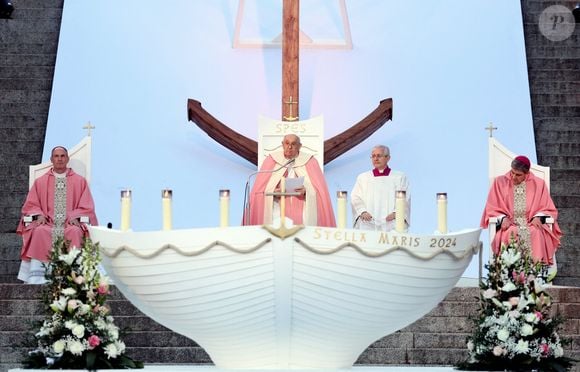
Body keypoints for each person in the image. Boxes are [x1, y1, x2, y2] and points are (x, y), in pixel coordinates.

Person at [17, 146, 98, 283]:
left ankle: (74, 277)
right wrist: (39, 215)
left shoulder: (79, 181)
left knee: (75, 231)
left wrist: (75, 217)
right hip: (47, 223)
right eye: (56, 156)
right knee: (39, 231)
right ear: (51, 159)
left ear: (67, 159)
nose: (59, 159)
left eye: (62, 156)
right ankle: (39, 278)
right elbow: (31, 205)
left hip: (69, 224)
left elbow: (87, 206)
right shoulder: (41, 182)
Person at [481, 155, 561, 265]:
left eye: (518, 175)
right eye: (512, 172)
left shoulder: (539, 184)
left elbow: (547, 207)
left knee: (536, 233)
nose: (513, 177)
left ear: (527, 173)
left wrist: (538, 217)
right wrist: (502, 218)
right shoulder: (499, 182)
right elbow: (492, 206)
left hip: (531, 223)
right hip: (510, 224)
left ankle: (536, 272)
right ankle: (509, 273)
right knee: (511, 233)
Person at [244, 134, 336, 227]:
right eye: (287, 143)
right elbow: (260, 190)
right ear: (282, 144)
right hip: (276, 205)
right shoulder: (271, 160)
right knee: (274, 219)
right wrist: (272, 191)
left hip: (303, 205)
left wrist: (307, 191)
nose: (289, 147)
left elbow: (320, 191)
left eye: (293, 144)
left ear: (299, 146)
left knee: (305, 220)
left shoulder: (310, 161)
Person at [351, 145, 410, 231]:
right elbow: (355, 197)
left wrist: (396, 213)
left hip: (392, 223)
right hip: (368, 223)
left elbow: (406, 197)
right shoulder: (363, 178)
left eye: (379, 156)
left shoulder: (399, 177)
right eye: (373, 156)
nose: (376, 159)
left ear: (388, 158)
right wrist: (362, 211)